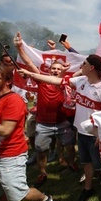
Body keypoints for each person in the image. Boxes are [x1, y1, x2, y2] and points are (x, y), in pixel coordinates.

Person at [18, 54, 101, 201]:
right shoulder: (82, 80)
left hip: (95, 136)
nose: (81, 65)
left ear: (91, 67)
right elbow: (56, 80)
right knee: (86, 162)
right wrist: (32, 75)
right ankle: (88, 189)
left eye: (84, 63)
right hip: (81, 132)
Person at [0, 64, 55, 201]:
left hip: (10, 155)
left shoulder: (13, 100)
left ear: (7, 81)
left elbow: (6, 129)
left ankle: (45, 198)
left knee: (18, 194)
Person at [14, 32, 77, 188]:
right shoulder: (41, 80)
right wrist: (19, 47)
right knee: (41, 151)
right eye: (53, 69)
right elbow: (29, 63)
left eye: (58, 69)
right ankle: (43, 172)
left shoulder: (67, 83)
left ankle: (71, 164)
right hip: (43, 124)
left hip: (62, 122)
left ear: (63, 70)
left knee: (70, 146)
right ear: (49, 70)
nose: (55, 71)